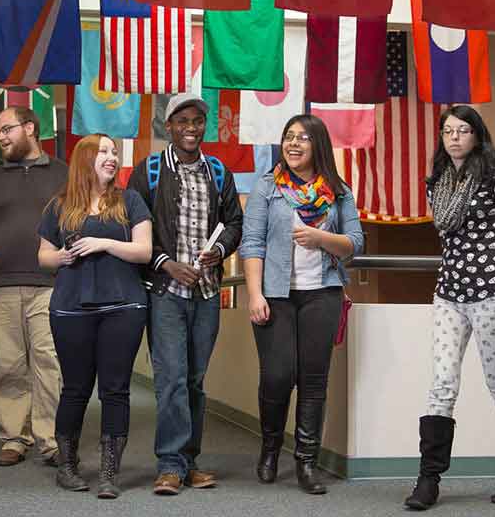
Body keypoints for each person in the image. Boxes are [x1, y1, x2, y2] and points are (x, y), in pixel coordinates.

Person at [404, 105, 495, 511]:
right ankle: (428, 480)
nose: (454, 138)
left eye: (463, 130)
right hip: (448, 294)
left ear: (477, 135)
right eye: (448, 131)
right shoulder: (438, 180)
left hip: (490, 294)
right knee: (442, 385)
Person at [240, 115, 365, 495]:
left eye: (303, 138)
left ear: (318, 145)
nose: (293, 144)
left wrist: (320, 237)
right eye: (289, 137)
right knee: (277, 376)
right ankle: (270, 447)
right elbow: (252, 242)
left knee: (313, 380)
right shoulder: (268, 186)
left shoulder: (337, 191)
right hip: (276, 295)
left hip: (323, 293)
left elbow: (355, 243)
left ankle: (306, 462)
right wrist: (255, 293)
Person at [128, 93, 243, 496]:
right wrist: (165, 263)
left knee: (194, 379)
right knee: (172, 378)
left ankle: (189, 461)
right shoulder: (149, 172)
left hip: (207, 293)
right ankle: (170, 464)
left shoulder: (218, 172)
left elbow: (235, 223)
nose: (191, 128)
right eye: (183, 121)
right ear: (169, 126)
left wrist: (221, 249)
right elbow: (132, 227)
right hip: (165, 292)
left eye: (197, 121)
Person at [37, 134, 152, 498]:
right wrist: (61, 257)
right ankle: (67, 466)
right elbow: (44, 256)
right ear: (85, 159)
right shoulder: (59, 205)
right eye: (103, 151)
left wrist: (104, 243)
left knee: (115, 389)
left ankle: (109, 473)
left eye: (114, 152)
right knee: (75, 388)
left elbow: (144, 251)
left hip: (124, 306)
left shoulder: (130, 201)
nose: (111, 157)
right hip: (71, 307)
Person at [0, 106, 67, 467]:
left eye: (7, 129)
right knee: (7, 364)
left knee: (48, 361)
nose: (0, 137)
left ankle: (50, 439)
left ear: (30, 128)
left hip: (50, 283)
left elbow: (80, 216)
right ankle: (14, 438)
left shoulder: (63, 173)